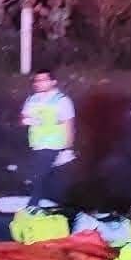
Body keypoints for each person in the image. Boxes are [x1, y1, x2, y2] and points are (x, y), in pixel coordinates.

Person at [20, 68, 76, 207]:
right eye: (37, 80)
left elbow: (69, 125)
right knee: (49, 179)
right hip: (36, 144)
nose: (38, 83)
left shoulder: (61, 101)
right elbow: (23, 117)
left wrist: (67, 149)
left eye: (43, 80)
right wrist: (27, 120)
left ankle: (32, 207)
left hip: (54, 145)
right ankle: (57, 208)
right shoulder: (32, 99)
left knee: (38, 176)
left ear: (53, 82)